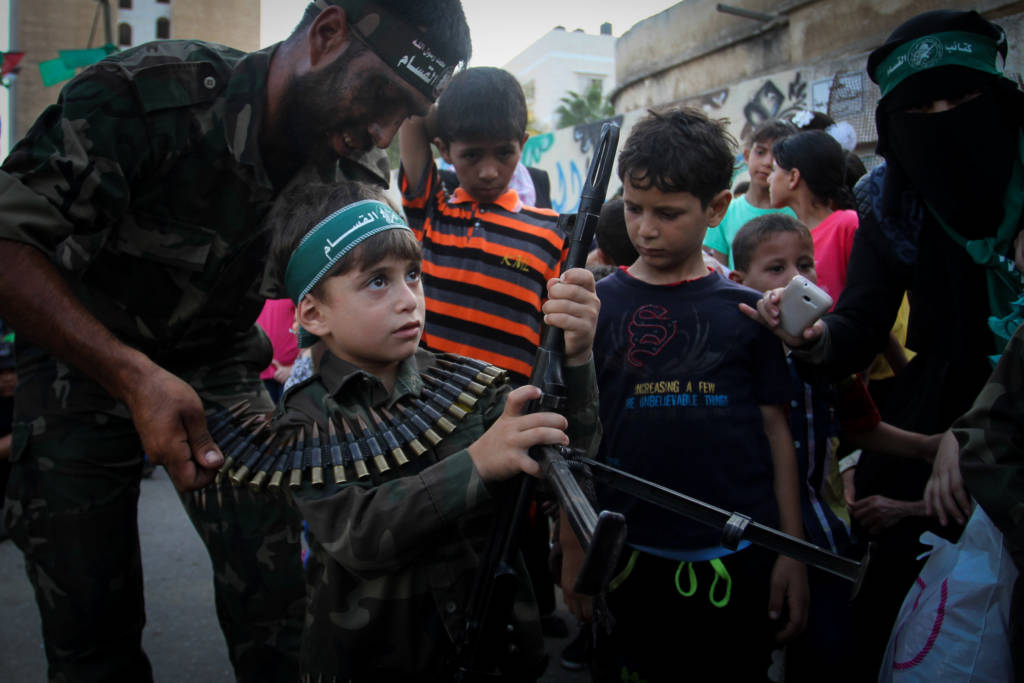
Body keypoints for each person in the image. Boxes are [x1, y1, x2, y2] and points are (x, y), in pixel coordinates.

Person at [0, 1, 471, 681]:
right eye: (380, 97)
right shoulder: (148, 96)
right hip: (79, 358)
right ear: (327, 33)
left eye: (404, 116)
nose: (381, 129)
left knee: (280, 598)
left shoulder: (357, 171)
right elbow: (9, 240)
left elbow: (366, 303)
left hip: (218, 366)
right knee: (87, 625)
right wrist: (131, 376)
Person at [746, 9, 1024, 679]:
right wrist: (810, 336)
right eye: (922, 106)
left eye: (963, 97)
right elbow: (860, 324)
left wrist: (980, 428)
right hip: (940, 411)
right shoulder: (889, 201)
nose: (945, 117)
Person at [260, 180, 600, 681]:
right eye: (377, 281)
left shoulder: (468, 385)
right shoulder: (302, 422)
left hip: (494, 650)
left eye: (413, 275)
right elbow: (360, 537)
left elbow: (572, 468)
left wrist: (577, 358)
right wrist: (478, 464)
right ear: (314, 312)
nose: (409, 300)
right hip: (377, 660)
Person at [560, 108, 808, 682]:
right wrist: (575, 543)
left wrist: (791, 551)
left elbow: (776, 432)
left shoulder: (744, 312)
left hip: (740, 554)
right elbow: (573, 434)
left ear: (716, 208)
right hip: (627, 558)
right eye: (635, 207)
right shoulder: (598, 307)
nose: (645, 229)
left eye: (668, 214)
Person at [728, 214, 941, 682]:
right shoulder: (732, 349)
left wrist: (929, 448)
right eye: (776, 268)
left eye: (805, 265)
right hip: (751, 539)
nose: (794, 279)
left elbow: (861, 427)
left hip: (826, 541)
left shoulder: (826, 352)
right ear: (739, 281)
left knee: (826, 656)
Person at [399, 66, 565, 387]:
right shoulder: (432, 211)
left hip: (508, 417)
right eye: (471, 155)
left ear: (523, 143)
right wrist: (454, 112)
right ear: (444, 150)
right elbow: (414, 117)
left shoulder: (553, 234)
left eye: (504, 152)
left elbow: (554, 339)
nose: (489, 172)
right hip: (428, 411)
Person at [767, 130, 859, 305]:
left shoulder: (847, 224)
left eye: (773, 170)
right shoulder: (789, 236)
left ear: (793, 177)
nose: (769, 179)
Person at [703, 118, 797, 269]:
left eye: (776, 155)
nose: (767, 162)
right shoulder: (724, 213)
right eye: (760, 152)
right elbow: (718, 274)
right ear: (747, 156)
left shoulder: (797, 215)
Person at [256, 298, 299, 403]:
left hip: (290, 373)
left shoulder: (287, 290)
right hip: (259, 374)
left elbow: (307, 329)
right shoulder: (251, 293)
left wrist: (294, 368)